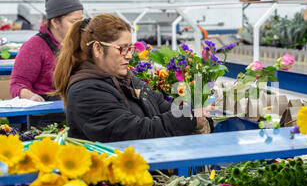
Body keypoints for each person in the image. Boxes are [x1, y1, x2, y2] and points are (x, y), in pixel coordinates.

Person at [53, 13, 211, 142]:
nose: (129, 56)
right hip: (111, 178)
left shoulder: (129, 81)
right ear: (98, 49)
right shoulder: (85, 92)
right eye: (122, 49)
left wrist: (198, 116)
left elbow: (162, 107)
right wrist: (189, 119)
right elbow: (136, 133)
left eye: (131, 49)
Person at [9, 0, 83, 128]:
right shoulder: (35, 46)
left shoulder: (80, 43)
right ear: (55, 22)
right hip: (47, 121)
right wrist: (31, 97)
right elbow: (17, 84)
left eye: (81, 20)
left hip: (77, 114)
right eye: (73, 22)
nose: (79, 26)